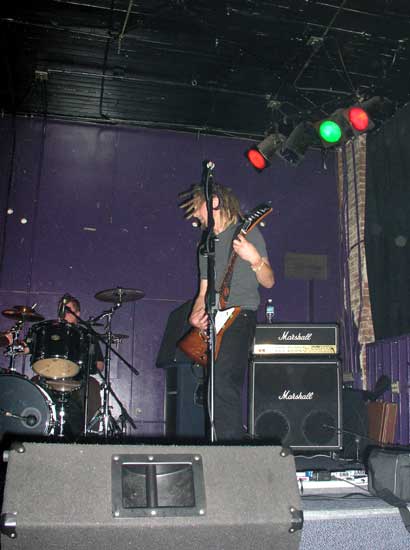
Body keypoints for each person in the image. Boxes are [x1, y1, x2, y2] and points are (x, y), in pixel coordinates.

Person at [180, 183, 274, 441]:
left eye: (197, 207)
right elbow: (203, 292)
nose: (195, 215)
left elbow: (269, 281)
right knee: (214, 386)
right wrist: (195, 315)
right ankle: (222, 443)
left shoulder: (248, 233)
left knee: (223, 381)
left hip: (241, 315)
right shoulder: (206, 245)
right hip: (216, 320)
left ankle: (231, 447)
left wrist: (254, 259)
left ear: (214, 202)